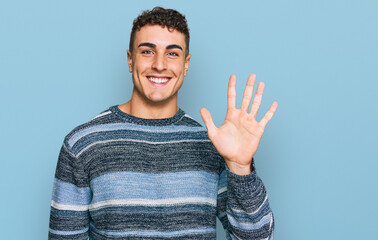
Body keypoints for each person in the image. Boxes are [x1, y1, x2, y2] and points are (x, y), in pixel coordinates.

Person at [49, 7, 278, 240]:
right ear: (130, 59)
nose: (159, 64)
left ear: (186, 64)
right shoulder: (82, 145)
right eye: (148, 51)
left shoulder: (213, 146)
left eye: (172, 53)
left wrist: (240, 166)